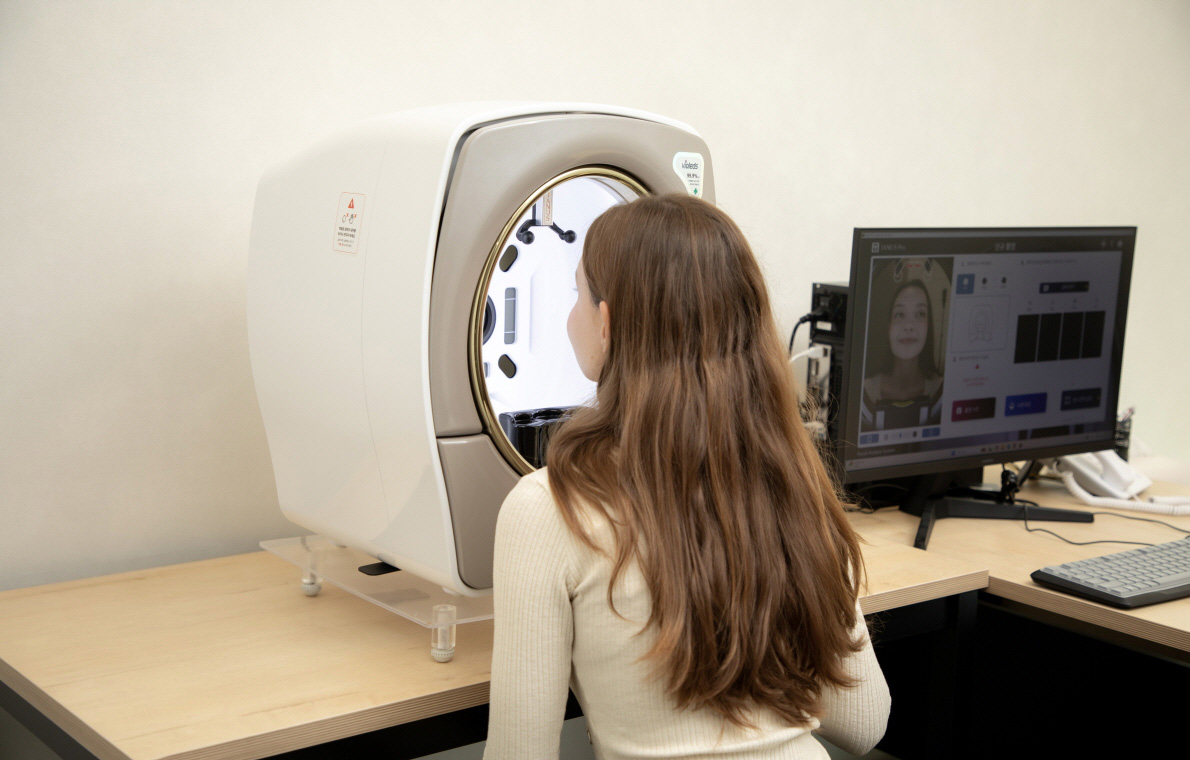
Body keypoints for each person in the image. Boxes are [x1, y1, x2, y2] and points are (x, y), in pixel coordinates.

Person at [484, 194, 890, 759]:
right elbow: (865, 721)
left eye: (577, 294)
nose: (570, 315)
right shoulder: (793, 480)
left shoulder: (549, 507)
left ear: (607, 323)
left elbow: (518, 754)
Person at [862, 278, 943, 431]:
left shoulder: (942, 390)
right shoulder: (865, 390)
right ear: (888, 327)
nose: (909, 326)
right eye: (899, 314)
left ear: (929, 327)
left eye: (920, 314)